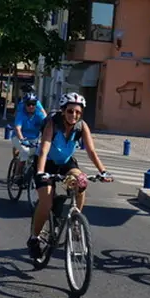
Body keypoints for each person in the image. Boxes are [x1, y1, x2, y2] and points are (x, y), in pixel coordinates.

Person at [28, 93, 112, 258]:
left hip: (66, 163)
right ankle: (34, 238)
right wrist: (40, 172)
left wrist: (103, 171)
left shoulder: (81, 126)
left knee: (81, 181)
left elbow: (91, 150)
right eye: (70, 111)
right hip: (47, 163)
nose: (74, 115)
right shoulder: (53, 124)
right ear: (63, 111)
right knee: (45, 202)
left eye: (78, 112)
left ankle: (75, 222)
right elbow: (44, 148)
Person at [11, 93, 47, 159]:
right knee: (25, 152)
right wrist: (22, 139)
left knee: (41, 153)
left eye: (33, 104)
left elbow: (46, 121)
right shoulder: (21, 112)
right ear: (25, 104)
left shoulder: (39, 113)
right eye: (28, 104)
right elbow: (17, 128)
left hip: (34, 138)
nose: (31, 106)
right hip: (20, 137)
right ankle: (18, 168)